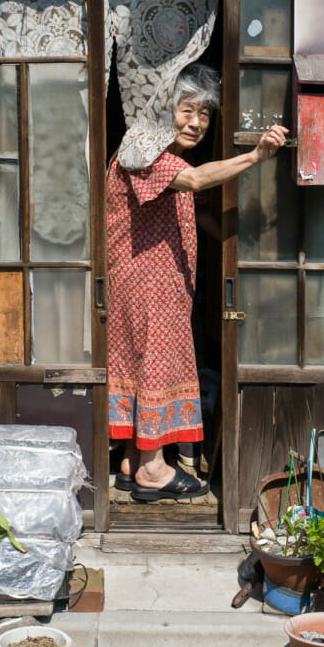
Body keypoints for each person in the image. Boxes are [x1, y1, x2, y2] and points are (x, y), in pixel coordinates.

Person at [107, 63, 287, 501]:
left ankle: (133, 460)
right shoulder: (142, 148)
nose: (197, 123)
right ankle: (153, 471)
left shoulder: (166, 157)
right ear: (165, 107)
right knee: (153, 368)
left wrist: (258, 249)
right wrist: (255, 156)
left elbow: (201, 213)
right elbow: (196, 179)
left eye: (205, 114)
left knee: (143, 367)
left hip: (159, 289)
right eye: (188, 110)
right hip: (146, 288)